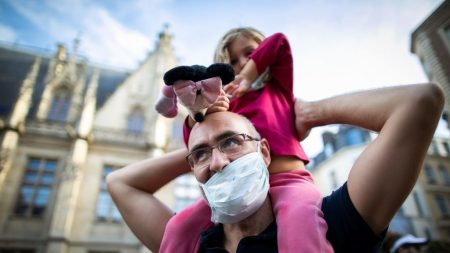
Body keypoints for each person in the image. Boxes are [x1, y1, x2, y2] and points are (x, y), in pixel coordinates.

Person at [107, 83, 444, 252]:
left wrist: (311, 113)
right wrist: (199, 146)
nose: (220, 162)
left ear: (264, 152)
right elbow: (120, 182)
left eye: (231, 142)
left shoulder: (331, 224)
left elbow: (420, 101)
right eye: (202, 156)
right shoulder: (192, 243)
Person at [167, 27, 331, 253]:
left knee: (300, 221)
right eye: (232, 61)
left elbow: (279, 42)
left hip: (289, 181)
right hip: (237, 189)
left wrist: (250, 73)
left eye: (250, 54)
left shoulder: (278, 89)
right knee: (178, 226)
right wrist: (198, 116)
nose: (242, 62)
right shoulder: (228, 104)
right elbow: (194, 143)